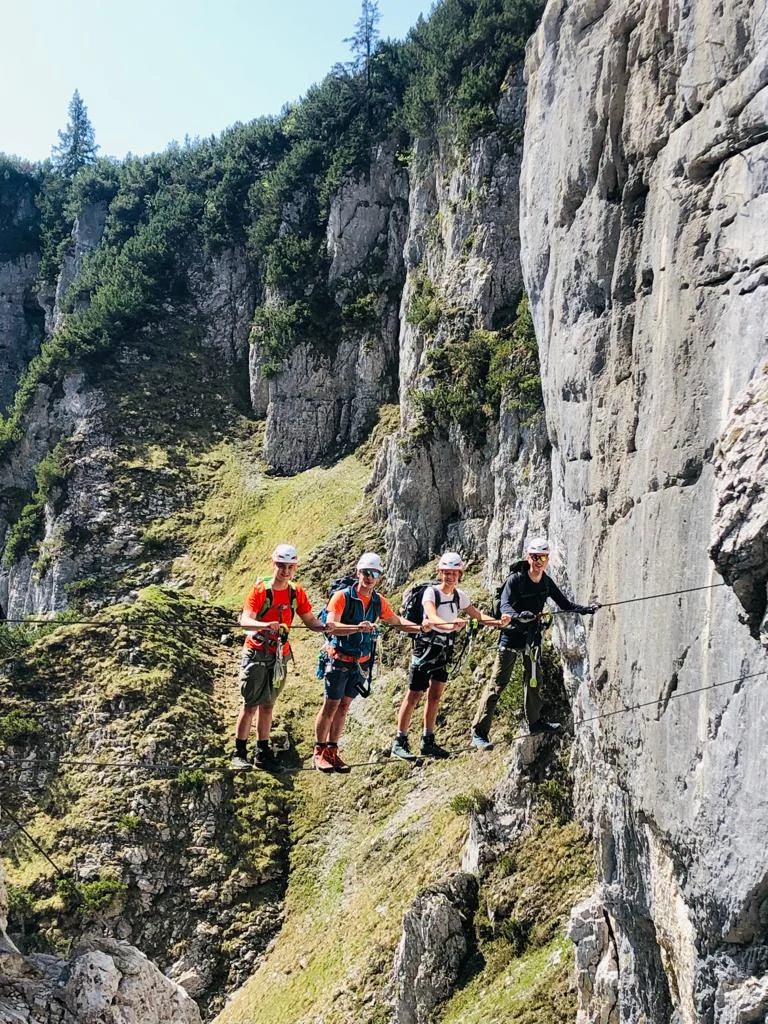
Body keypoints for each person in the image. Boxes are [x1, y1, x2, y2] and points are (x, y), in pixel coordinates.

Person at [471, 537, 599, 748]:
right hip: (511, 636)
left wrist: (585, 609)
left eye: (543, 557)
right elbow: (505, 606)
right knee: (498, 683)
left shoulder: (546, 582)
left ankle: (535, 722)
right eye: (535, 557)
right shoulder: (516, 580)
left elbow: (564, 603)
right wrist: (519, 615)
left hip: (531, 638)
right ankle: (479, 732)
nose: (539, 561)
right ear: (528, 557)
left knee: (533, 680)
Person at [391, 552, 511, 761]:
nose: (450, 577)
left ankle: (428, 740)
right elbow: (432, 616)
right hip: (426, 649)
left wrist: (498, 623)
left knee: (436, 695)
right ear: (440, 573)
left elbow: (476, 615)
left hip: (444, 650)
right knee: (414, 695)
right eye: (447, 573)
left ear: (459, 575)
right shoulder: (431, 593)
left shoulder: (459, 596)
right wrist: (451, 625)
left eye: (454, 573)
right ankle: (399, 741)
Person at [313, 552, 422, 774]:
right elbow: (331, 626)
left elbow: (396, 621)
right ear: (358, 573)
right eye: (365, 572)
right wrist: (358, 628)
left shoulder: (377, 601)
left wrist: (421, 628)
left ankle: (332, 750)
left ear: (379, 577)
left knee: (344, 706)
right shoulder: (342, 597)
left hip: (360, 663)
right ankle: (319, 752)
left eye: (374, 573)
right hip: (339, 659)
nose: (369, 577)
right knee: (331, 705)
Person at [232, 543, 333, 771]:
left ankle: (262, 752)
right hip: (257, 652)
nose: (285, 571)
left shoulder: (296, 593)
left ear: (295, 567)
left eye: (290, 566)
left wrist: (326, 627)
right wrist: (265, 625)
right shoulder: (260, 591)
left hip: (279, 656)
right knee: (250, 705)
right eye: (281, 565)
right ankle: (239, 752)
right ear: (274, 564)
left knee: (268, 705)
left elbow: (309, 620)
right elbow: (245, 620)